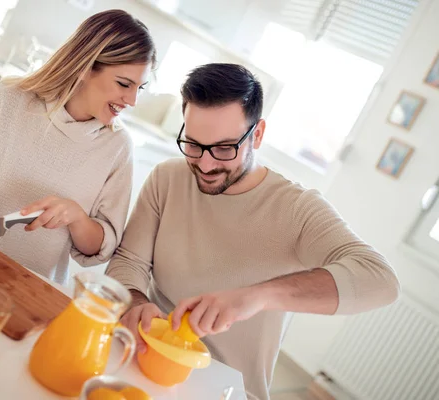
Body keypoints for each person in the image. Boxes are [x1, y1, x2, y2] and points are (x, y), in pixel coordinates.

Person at [105, 63, 400, 400]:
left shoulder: (296, 208)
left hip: (224, 390)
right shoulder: (168, 178)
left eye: (224, 148)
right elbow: (129, 260)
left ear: (257, 135)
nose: (205, 164)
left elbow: (381, 281)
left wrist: (257, 296)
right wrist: (136, 301)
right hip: (141, 360)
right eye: (193, 144)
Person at [0, 10, 156, 284]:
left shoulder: (117, 147)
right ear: (85, 65)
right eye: (124, 84)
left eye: (140, 88)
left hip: (33, 290)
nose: (132, 101)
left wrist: (76, 217)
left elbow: (100, 246)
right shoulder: (7, 100)